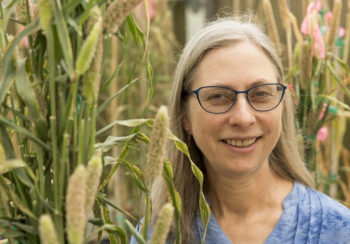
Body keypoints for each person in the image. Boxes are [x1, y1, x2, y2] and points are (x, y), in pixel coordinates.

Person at [131, 17, 350, 244]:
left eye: (261, 94)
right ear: (185, 116)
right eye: (218, 97)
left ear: (282, 105)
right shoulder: (156, 233)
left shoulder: (337, 231)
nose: (243, 118)